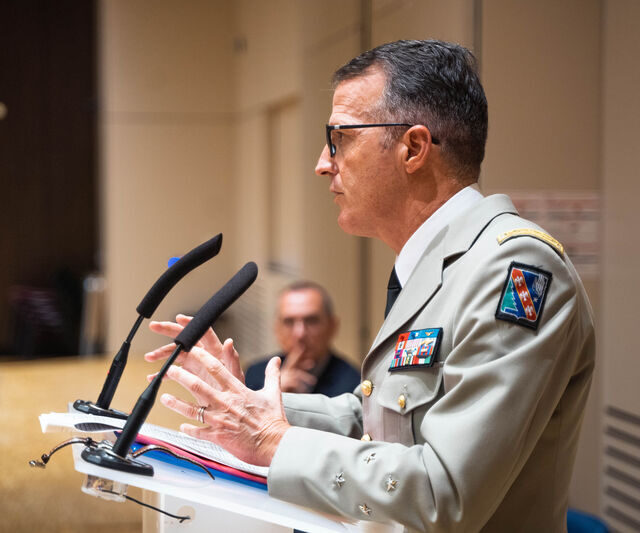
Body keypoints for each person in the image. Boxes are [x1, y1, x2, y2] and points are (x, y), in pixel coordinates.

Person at [146, 40, 595, 532]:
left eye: (339, 138)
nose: (323, 162)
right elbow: (378, 419)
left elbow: (444, 493)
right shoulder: (434, 264)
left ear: (414, 148)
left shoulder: (515, 268)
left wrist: (274, 439)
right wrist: (249, 405)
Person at [244, 280, 360, 396]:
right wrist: (275, 394)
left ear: (332, 326)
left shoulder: (353, 384)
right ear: (277, 328)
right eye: (289, 322)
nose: (300, 333)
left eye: (311, 321)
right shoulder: (256, 374)